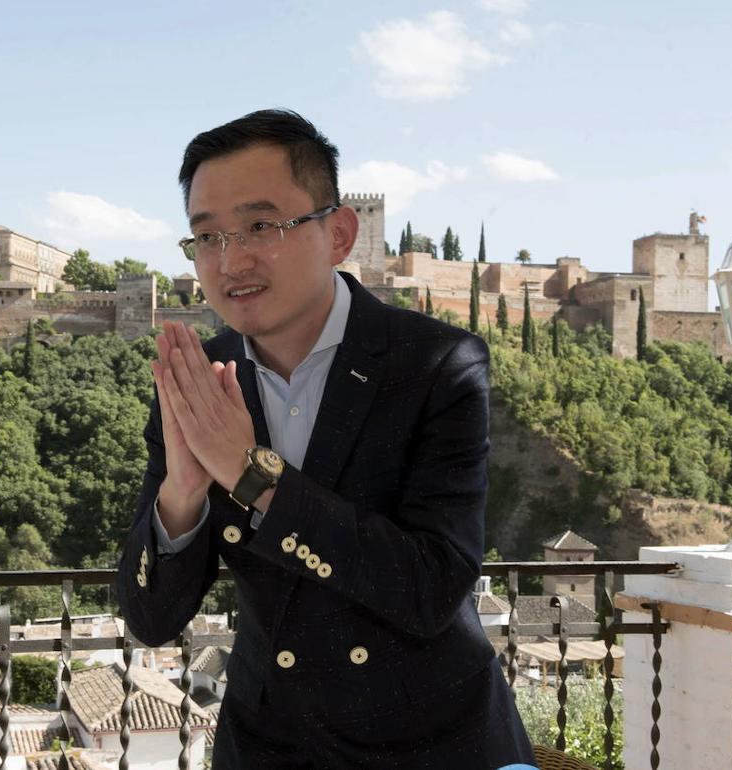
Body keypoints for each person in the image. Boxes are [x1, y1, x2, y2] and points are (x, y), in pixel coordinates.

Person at [116, 109, 535, 769]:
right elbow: (150, 619)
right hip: (270, 743)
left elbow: (429, 589)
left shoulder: (437, 364)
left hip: (430, 744)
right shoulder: (201, 380)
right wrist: (183, 493)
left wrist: (251, 475)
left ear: (339, 233)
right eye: (207, 236)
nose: (231, 260)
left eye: (260, 225)